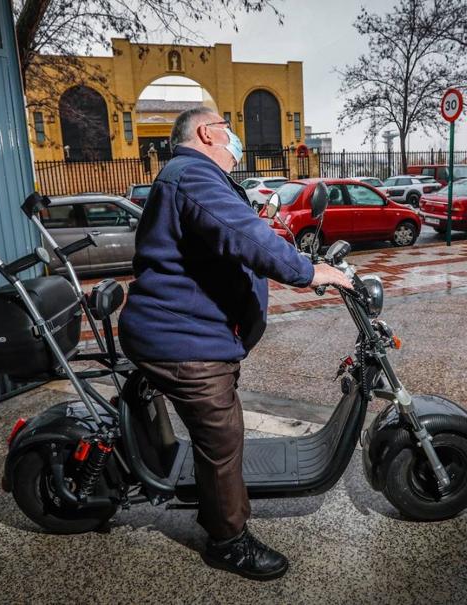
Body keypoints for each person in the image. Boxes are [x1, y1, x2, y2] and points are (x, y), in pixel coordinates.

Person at [118, 107, 352, 580]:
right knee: (222, 437)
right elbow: (241, 234)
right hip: (182, 341)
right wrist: (309, 272)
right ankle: (227, 541)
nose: (235, 142)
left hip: (192, 331)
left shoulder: (192, 175)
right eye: (229, 132)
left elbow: (229, 230)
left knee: (220, 427)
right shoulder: (191, 174)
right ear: (207, 132)